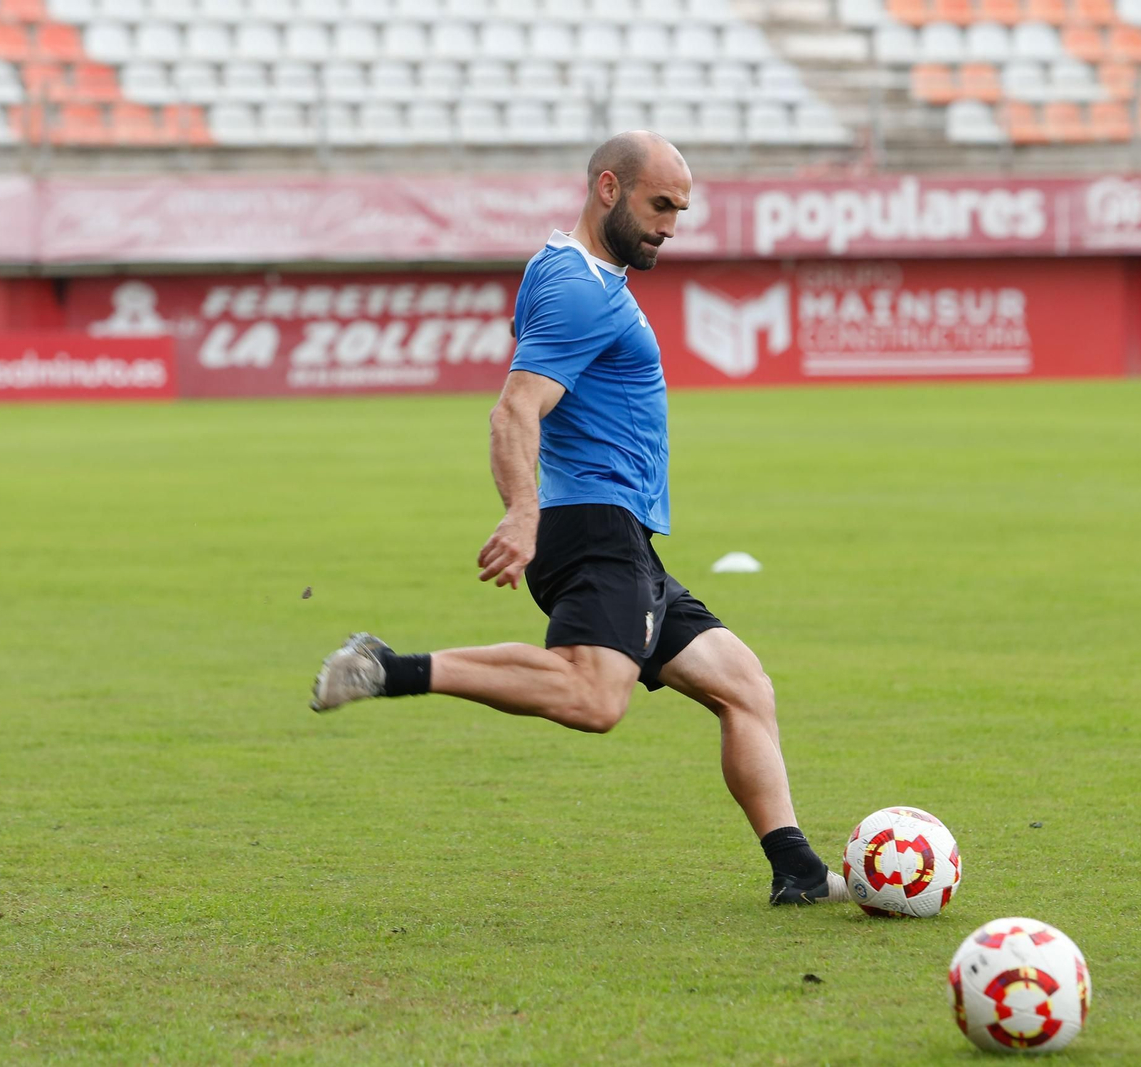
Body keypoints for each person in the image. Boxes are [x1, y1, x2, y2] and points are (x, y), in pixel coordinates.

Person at [309, 131, 847, 906]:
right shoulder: (581, 289)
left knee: (743, 684)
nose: (670, 225)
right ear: (607, 188)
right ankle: (386, 667)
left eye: (680, 210)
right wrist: (522, 513)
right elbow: (515, 408)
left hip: (621, 531)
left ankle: (796, 869)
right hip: (591, 524)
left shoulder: (561, 269)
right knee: (595, 698)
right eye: (659, 205)